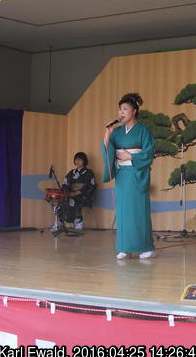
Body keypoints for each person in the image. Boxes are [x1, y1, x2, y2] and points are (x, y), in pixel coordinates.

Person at [101, 93, 156, 260]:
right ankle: (124, 247)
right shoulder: (117, 131)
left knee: (138, 212)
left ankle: (146, 247)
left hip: (136, 174)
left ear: (134, 111)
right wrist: (108, 134)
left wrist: (131, 157)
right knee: (123, 212)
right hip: (122, 175)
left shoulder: (143, 130)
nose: (121, 113)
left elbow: (149, 152)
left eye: (125, 109)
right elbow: (107, 149)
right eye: (120, 110)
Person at [54, 152, 96, 233]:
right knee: (63, 198)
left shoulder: (88, 173)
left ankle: (78, 220)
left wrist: (77, 192)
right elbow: (65, 183)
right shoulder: (72, 172)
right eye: (76, 159)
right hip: (71, 194)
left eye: (80, 159)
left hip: (84, 195)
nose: (77, 161)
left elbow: (90, 186)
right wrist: (66, 192)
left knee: (74, 199)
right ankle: (61, 221)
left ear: (84, 161)